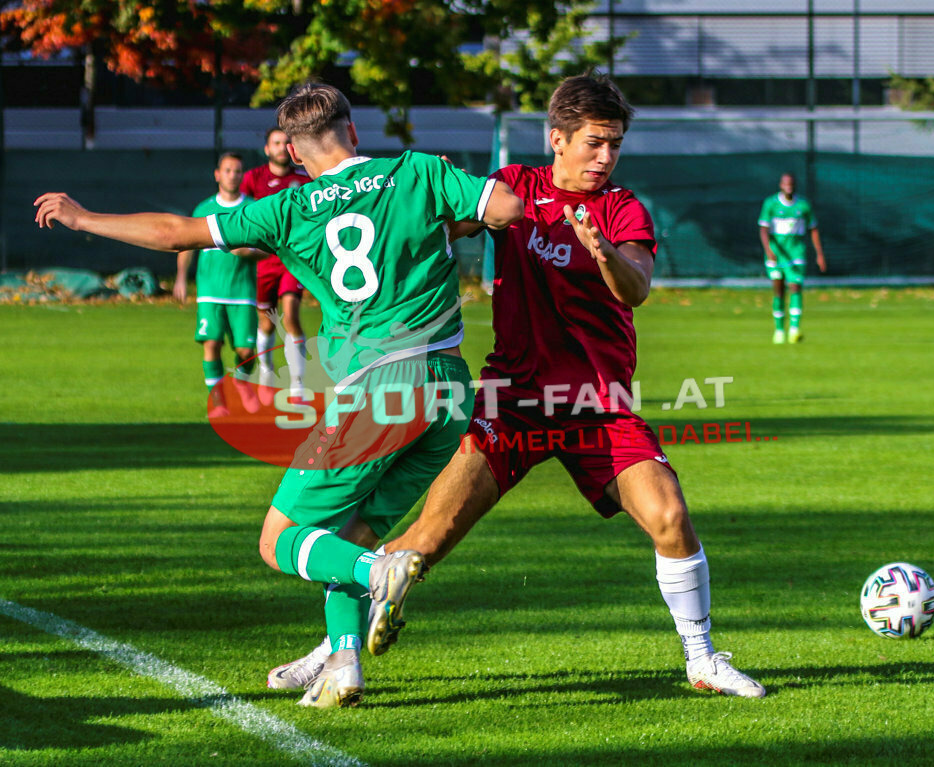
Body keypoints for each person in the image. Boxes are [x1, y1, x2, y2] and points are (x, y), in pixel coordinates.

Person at [34, 81, 524, 708]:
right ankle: (342, 662)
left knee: (280, 540)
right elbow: (505, 209)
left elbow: (179, 233)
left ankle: (379, 573)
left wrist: (83, 218)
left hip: (377, 389)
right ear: (353, 131)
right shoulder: (418, 170)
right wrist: (452, 218)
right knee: (346, 534)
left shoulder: (288, 207)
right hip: (448, 391)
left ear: (293, 152)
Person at [277, 73, 767, 698]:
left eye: (615, 144)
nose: (605, 157)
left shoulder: (622, 209)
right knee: (420, 545)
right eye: (594, 143)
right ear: (557, 138)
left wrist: (603, 252)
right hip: (509, 403)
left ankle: (701, 660)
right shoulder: (516, 188)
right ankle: (332, 650)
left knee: (670, 515)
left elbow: (637, 288)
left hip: (597, 405)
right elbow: (437, 226)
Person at [173, 152, 262, 416]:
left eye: (237, 171)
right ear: (217, 175)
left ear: (242, 175)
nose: (232, 176)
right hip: (209, 292)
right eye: (227, 170)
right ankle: (219, 402)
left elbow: (269, 246)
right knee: (211, 344)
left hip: (242, 292)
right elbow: (186, 245)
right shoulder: (204, 209)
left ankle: (242, 382)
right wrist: (181, 277)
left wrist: (250, 252)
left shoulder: (252, 208)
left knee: (245, 351)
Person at [240, 126, 313, 399]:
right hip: (263, 261)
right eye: (276, 143)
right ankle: (266, 370)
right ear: (267, 149)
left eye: (286, 142)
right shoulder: (253, 179)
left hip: (292, 260)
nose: (282, 147)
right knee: (267, 322)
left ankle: (297, 384)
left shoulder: (304, 179)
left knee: (291, 315)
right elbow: (240, 212)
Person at [758, 172, 827, 344]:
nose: (789, 187)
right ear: (781, 185)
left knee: (795, 287)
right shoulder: (771, 204)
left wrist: (819, 254)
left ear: (795, 185)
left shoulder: (803, 205)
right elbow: (763, 229)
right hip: (776, 254)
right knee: (779, 290)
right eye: (786, 184)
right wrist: (768, 250)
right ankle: (779, 330)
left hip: (796, 253)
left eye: (791, 184)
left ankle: (794, 329)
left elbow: (813, 229)